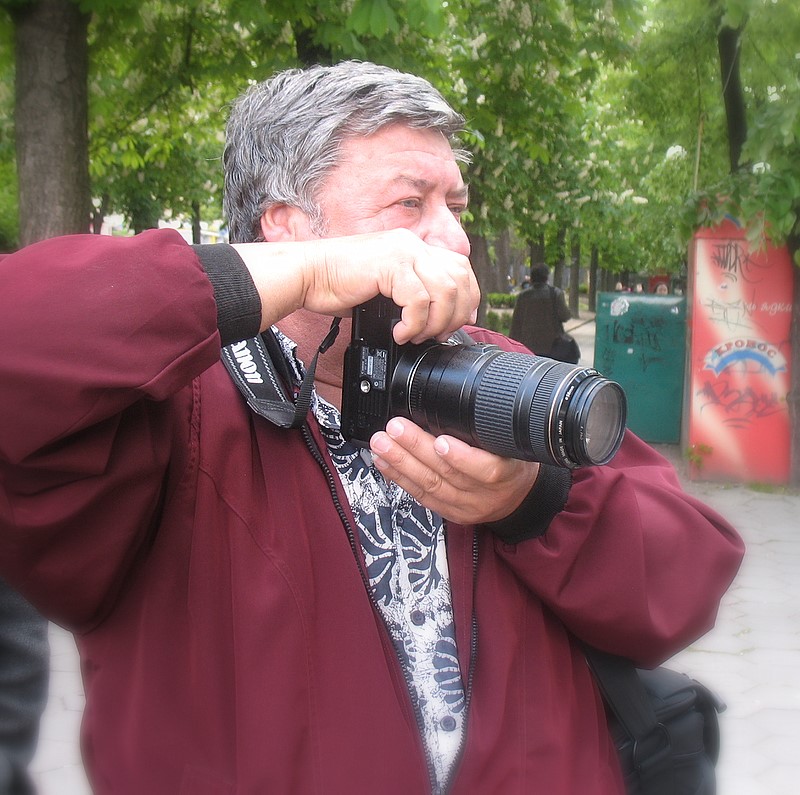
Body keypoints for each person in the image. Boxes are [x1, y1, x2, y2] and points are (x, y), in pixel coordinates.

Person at [0, 61, 743, 794]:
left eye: (455, 205)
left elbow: (687, 584)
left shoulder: (498, 370)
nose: (455, 238)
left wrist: (532, 500)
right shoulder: (175, 409)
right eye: (409, 204)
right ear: (287, 227)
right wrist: (299, 276)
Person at [509, 262, 573, 360]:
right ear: (546, 277)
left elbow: (516, 323)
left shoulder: (523, 296)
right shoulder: (556, 293)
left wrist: (512, 345)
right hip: (551, 345)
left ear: (531, 278)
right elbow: (565, 316)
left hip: (528, 346)